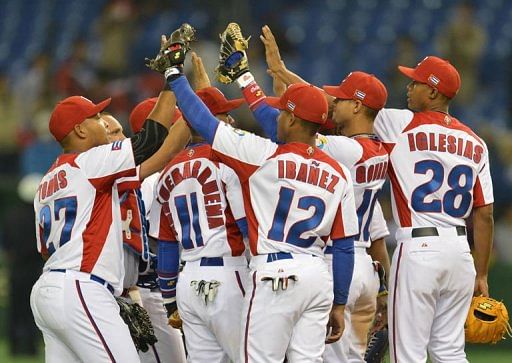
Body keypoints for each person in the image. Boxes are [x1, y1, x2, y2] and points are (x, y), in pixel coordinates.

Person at [150, 40, 359, 362]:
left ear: (290, 120)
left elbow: (203, 122)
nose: (274, 117)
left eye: (280, 112)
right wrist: (341, 302)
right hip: (317, 275)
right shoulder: (339, 171)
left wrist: (175, 74)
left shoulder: (260, 156)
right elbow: (344, 246)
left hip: (274, 272)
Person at [30, 28, 191, 362]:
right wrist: (170, 81)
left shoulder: (48, 180)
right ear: (79, 130)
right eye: (94, 117)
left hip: (48, 290)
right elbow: (150, 141)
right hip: (81, 287)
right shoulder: (88, 163)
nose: (102, 122)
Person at [248, 25, 391, 362]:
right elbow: (313, 109)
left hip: (337, 262)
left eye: (341, 99)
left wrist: (248, 82)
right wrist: (282, 72)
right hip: (366, 270)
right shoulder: (379, 149)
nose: (333, 101)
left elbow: (296, 126)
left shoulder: (344, 150)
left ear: (356, 108)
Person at [374, 56, 494, 362]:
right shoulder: (476, 142)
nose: (409, 86)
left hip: (419, 248)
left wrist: (282, 75)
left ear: (433, 92)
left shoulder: (399, 123)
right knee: (450, 351)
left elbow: (341, 107)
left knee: (408, 353)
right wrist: (481, 272)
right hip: (460, 254)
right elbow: (484, 215)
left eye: (416, 82)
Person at [150, 60, 249, 362]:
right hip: (230, 274)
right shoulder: (229, 160)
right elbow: (247, 227)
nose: (229, 120)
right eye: (224, 114)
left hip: (188, 281)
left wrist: (169, 300)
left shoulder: (167, 173)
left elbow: (166, 245)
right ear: (206, 119)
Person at [103, 109, 188, 363]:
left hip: (141, 289)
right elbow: (156, 240)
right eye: (113, 132)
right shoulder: (151, 178)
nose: (122, 137)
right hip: (148, 290)